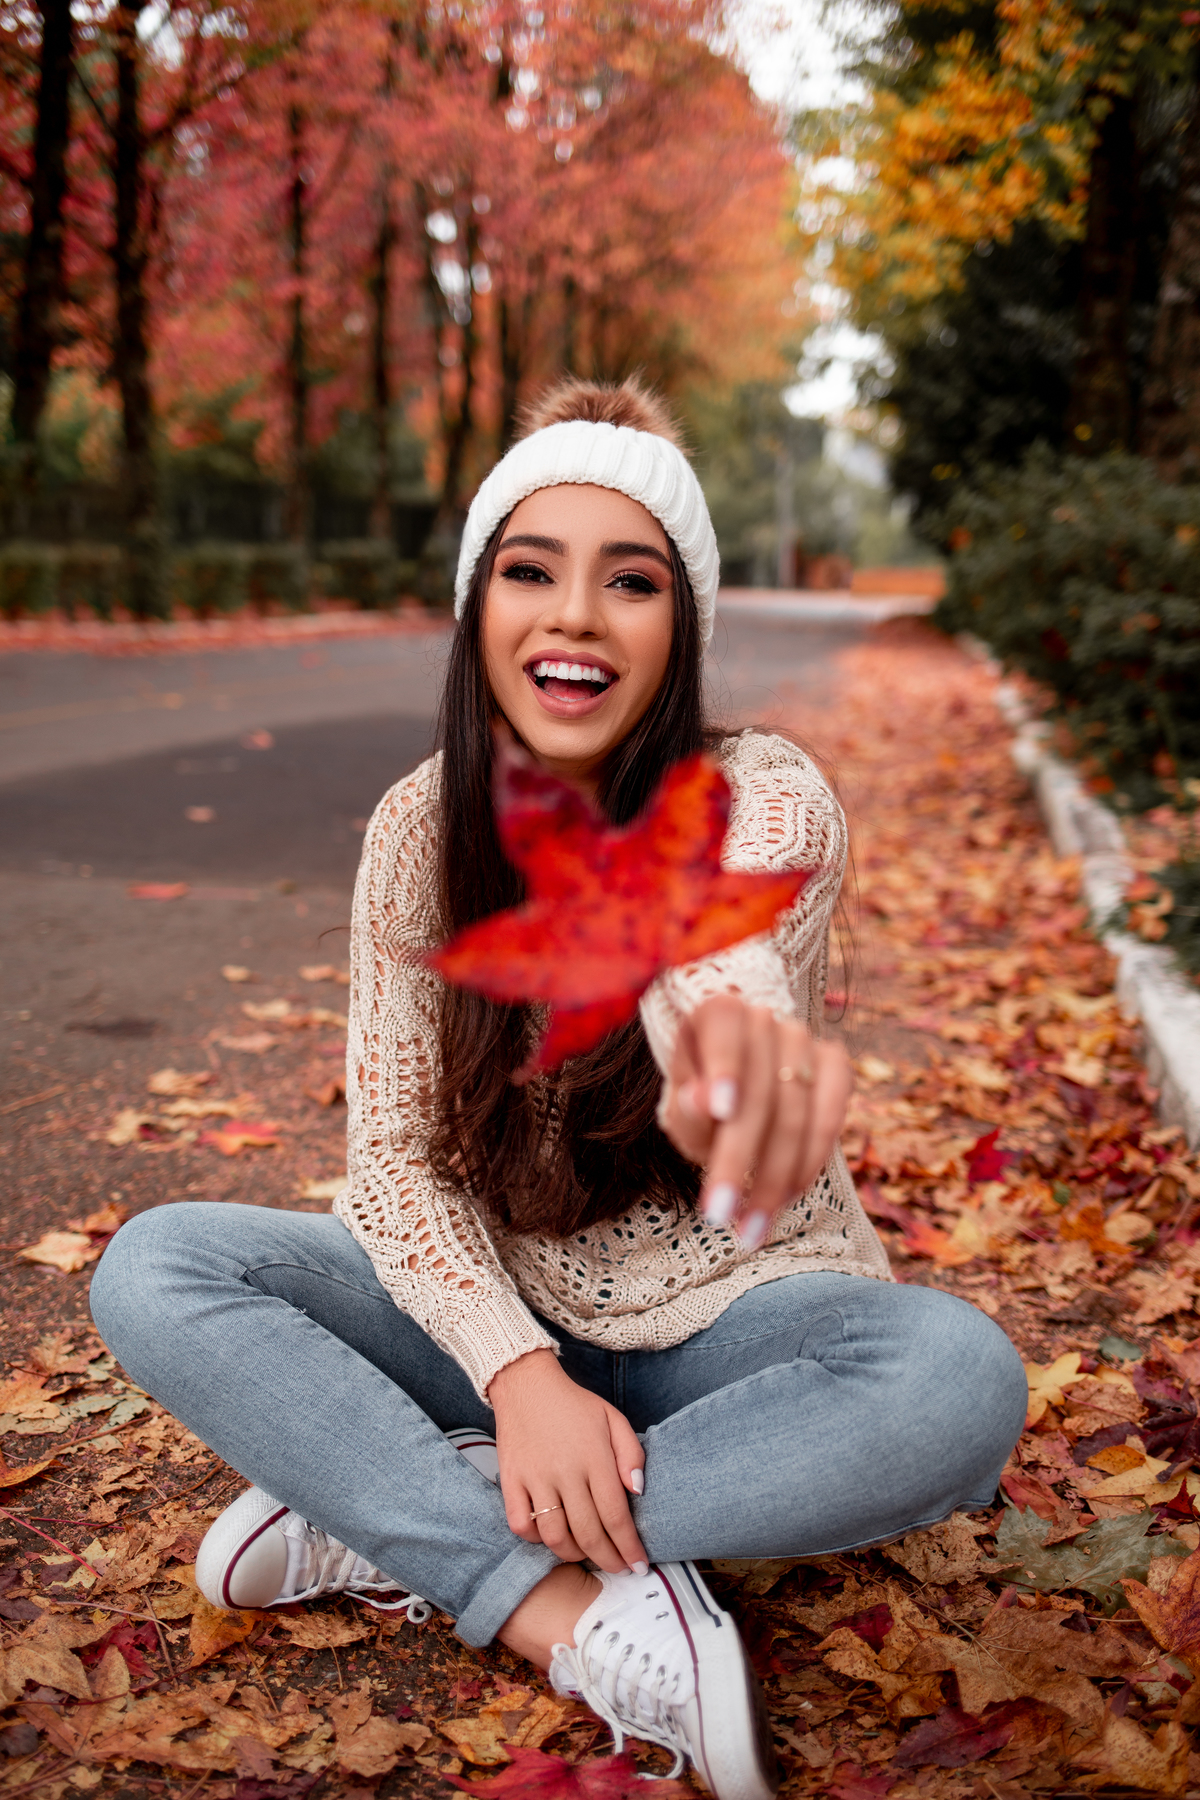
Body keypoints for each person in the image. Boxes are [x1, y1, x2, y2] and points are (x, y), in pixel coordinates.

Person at [90, 378, 1028, 1800]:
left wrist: (722, 1059)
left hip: (737, 1334)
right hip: (489, 1330)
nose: (576, 616)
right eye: (531, 570)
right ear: (480, 604)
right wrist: (519, 1374)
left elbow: (717, 953)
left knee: (956, 1382)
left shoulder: (765, 794)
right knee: (161, 1265)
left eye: (631, 581)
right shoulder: (422, 829)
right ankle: (554, 1598)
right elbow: (397, 1162)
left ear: (681, 625)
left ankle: (395, 1507)